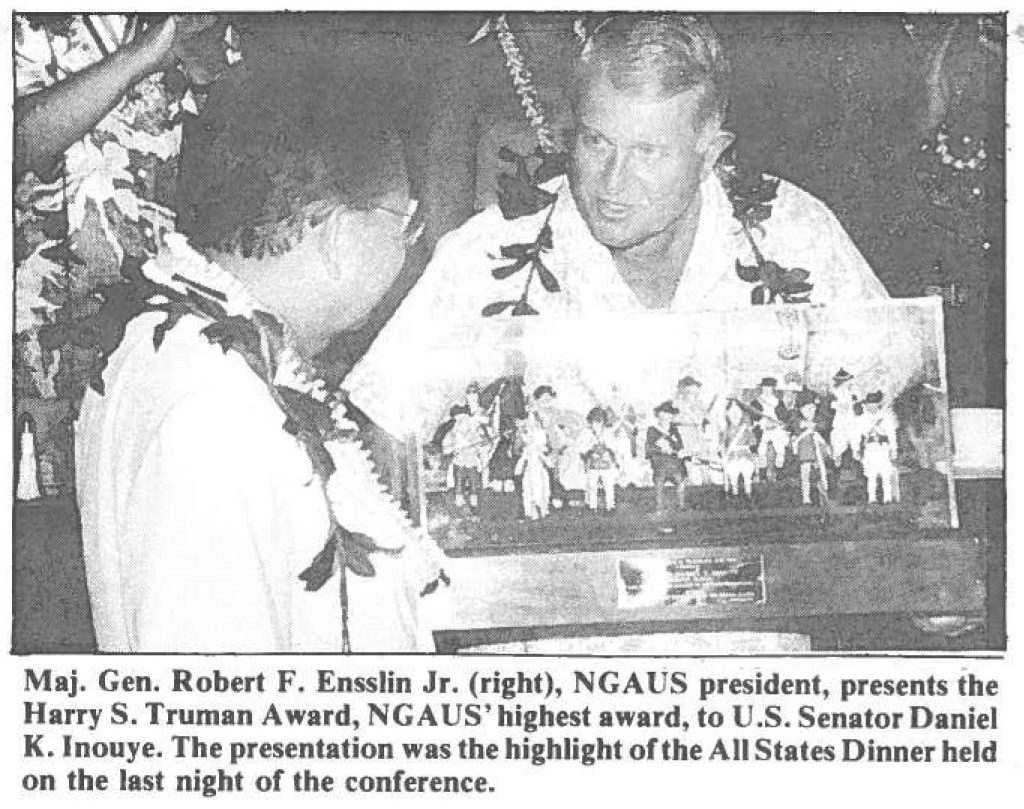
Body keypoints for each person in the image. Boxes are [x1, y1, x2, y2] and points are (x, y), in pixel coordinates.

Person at [345, 13, 888, 436]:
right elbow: (387, 423)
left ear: (710, 155)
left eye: (648, 152)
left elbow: (895, 388)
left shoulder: (796, 233)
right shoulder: (486, 254)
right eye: (595, 141)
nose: (611, 181)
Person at [75, 172, 443, 650]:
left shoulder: (193, 350)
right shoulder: (215, 406)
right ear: (338, 233)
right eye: (404, 223)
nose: (406, 248)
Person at [645, 401, 687, 514]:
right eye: (664, 413)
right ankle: (659, 508)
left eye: (670, 414)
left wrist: (681, 451)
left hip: (675, 463)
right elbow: (649, 449)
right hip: (660, 463)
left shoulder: (674, 430)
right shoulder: (652, 430)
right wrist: (662, 450)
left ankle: (681, 506)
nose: (667, 416)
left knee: (681, 481)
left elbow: (680, 445)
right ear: (658, 414)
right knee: (659, 484)